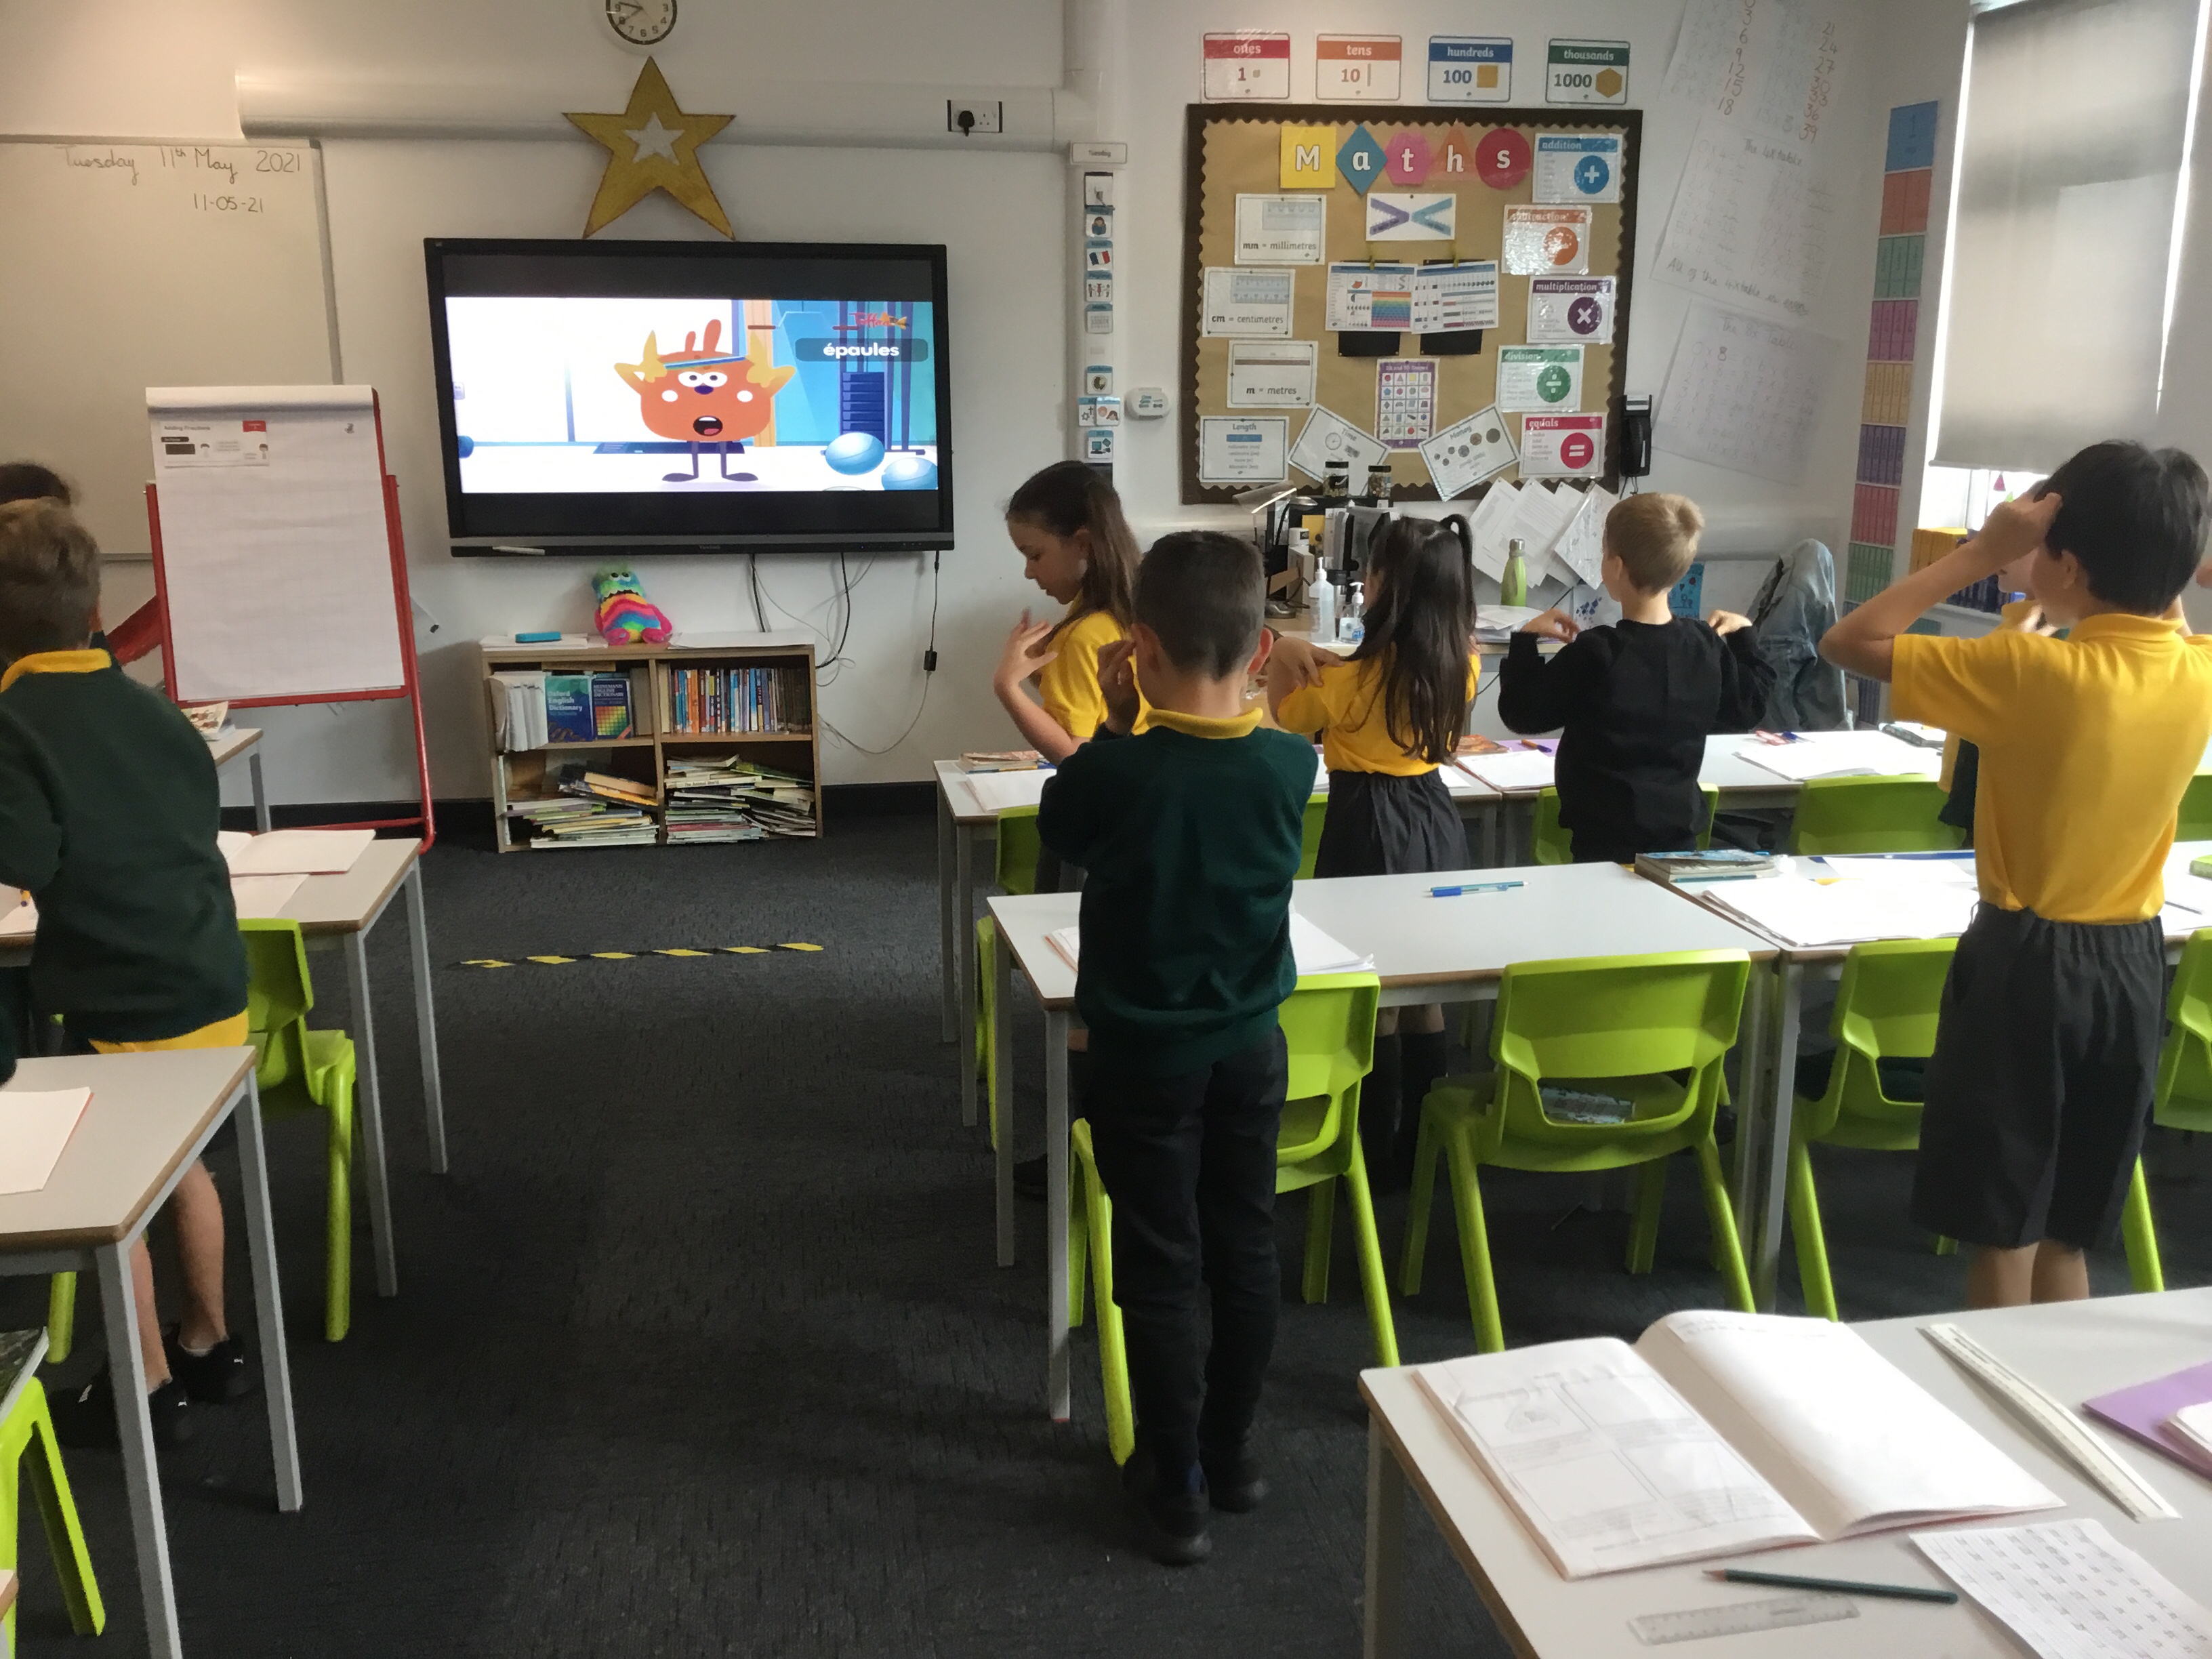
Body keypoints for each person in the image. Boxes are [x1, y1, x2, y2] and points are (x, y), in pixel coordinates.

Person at [1821, 440, 2212, 1309]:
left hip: (2027, 965)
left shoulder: (2028, 670)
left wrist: (1981, 553)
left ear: (2066, 565)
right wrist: (2166, 556)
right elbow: (2165, 623)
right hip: (2134, 965)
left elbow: (1850, 640)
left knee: (2002, 1227)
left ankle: (1994, 1385)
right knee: (2070, 1227)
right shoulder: (2196, 668)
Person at [1036, 531, 1312, 1567]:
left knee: (1158, 1269)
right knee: (1245, 1247)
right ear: (1261, 650)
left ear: (1138, 648)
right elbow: (1243, 748)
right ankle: (1232, 1454)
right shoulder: (1290, 762)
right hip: (1252, 1049)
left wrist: (1113, 721)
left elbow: (1066, 823)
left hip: (1145, 1058)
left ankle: (1177, 1482)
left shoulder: (1118, 772)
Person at [0, 499, 254, 1444]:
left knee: (117, 1201)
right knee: (183, 1163)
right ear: (96, 609)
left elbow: (25, 858)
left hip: (119, 991)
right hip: (206, 973)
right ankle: (210, 1343)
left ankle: (144, 1386)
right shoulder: (152, 711)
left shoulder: (15, 725)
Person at [1265, 517, 1477, 1182]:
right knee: (1423, 986)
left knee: (1373, 986)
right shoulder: (1462, 663)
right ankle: (1421, 1140)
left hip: (1367, 822)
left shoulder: (1352, 680)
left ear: (1382, 585)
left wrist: (1284, 659)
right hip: (1435, 818)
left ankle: (1374, 1145)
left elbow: (1288, 719)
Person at [1498, 493, 1774, 862]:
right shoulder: (1704, 646)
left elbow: (1523, 713)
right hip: (1678, 842)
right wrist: (1744, 636)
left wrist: (1525, 640)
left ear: (1615, 566)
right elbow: (1748, 707)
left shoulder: (1597, 653)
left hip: (1602, 843)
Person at [990, 460, 1141, 764]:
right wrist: (1044, 673)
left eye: (1035, 556)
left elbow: (1073, 755)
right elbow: (1096, 707)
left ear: (1082, 544)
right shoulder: (1135, 612)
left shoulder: (1082, 635)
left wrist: (1007, 687)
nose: (1028, 572)